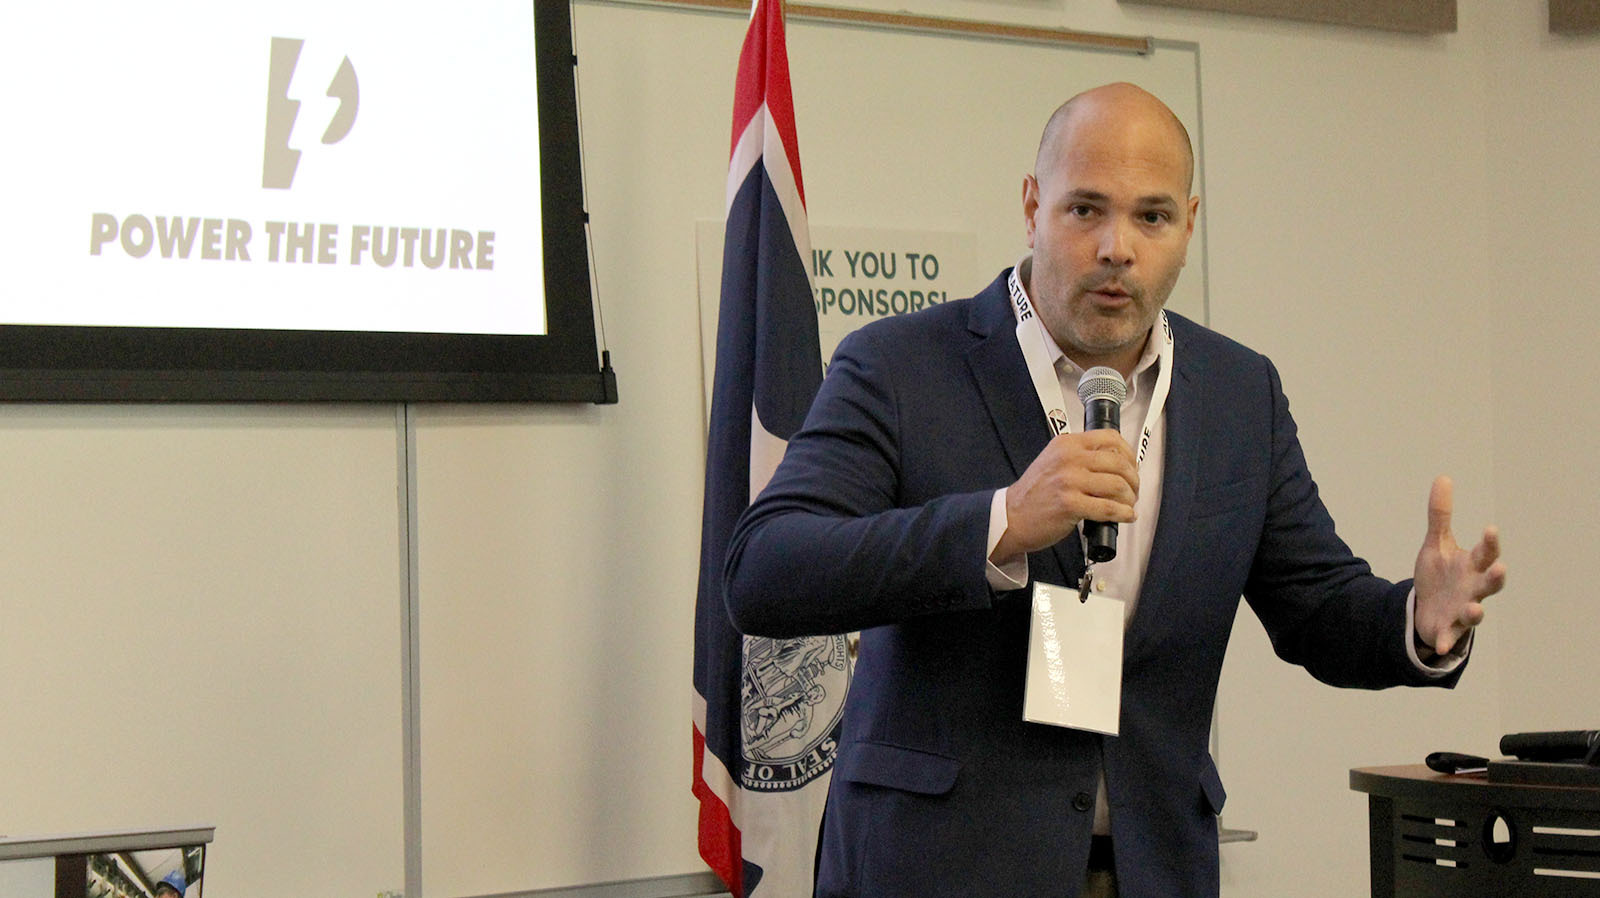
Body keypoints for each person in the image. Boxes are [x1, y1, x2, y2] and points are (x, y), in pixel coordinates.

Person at [722, 82, 1506, 898]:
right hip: (937, 868)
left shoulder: (1240, 392)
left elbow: (1316, 604)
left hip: (1151, 867)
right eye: (1086, 210)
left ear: (1189, 226)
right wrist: (999, 524)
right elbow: (765, 571)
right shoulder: (898, 365)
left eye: (1152, 217)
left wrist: (1416, 619)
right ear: (1032, 207)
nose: (1117, 247)